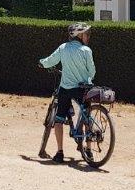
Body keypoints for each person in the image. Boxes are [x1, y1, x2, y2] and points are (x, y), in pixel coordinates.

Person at [38, 22, 95, 163]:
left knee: (59, 119)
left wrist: (41, 62)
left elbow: (50, 61)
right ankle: (88, 149)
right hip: (82, 89)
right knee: (86, 115)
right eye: (85, 34)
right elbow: (92, 71)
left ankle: (59, 152)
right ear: (79, 35)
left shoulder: (63, 48)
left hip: (66, 88)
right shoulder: (86, 51)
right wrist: (87, 78)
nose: (87, 36)